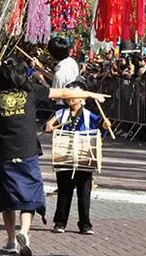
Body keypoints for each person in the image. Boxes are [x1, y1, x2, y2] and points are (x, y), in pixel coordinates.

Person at [0, 56, 107, 256]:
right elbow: (63, 92)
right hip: (27, 152)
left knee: (6, 199)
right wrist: (91, 94)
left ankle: (11, 241)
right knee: (30, 196)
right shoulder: (32, 92)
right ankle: (24, 231)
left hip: (3, 153)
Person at [45, 81, 111, 235]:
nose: (71, 98)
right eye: (69, 95)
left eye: (75, 95)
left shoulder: (89, 115)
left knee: (84, 193)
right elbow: (49, 124)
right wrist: (49, 126)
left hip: (83, 155)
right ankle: (60, 222)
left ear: (82, 98)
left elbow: (101, 129)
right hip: (65, 155)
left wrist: (105, 125)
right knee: (64, 191)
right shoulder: (61, 113)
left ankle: (85, 224)